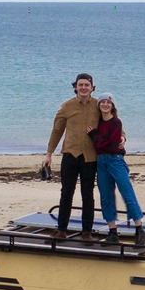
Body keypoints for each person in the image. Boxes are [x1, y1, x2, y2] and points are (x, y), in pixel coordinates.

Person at [43, 72, 100, 235]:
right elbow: (57, 130)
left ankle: (87, 231)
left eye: (86, 85)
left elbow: (113, 121)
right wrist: (48, 153)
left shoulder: (98, 105)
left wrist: (122, 137)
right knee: (66, 193)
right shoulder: (67, 106)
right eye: (80, 85)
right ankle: (61, 229)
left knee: (87, 195)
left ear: (92, 88)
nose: (83, 87)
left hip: (90, 157)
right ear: (75, 87)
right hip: (70, 155)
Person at [89, 94, 145, 247]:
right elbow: (101, 145)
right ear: (99, 105)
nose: (105, 105)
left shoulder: (116, 122)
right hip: (101, 162)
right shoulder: (98, 122)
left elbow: (111, 145)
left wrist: (95, 137)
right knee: (106, 197)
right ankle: (112, 231)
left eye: (108, 102)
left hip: (115, 160)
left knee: (127, 193)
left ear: (112, 106)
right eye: (103, 102)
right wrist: (99, 141)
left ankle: (140, 229)